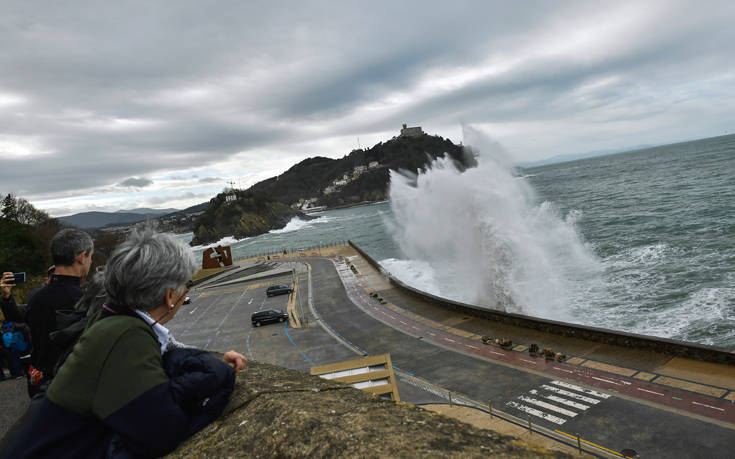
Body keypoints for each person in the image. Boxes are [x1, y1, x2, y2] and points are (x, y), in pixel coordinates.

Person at [2, 227, 246, 457]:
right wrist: (217, 372)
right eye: (186, 285)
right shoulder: (126, 334)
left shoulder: (112, 318)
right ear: (169, 296)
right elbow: (162, 430)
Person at [25, 228, 93, 392]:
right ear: (81, 257)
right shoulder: (82, 300)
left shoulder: (35, 297)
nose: (90, 262)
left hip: (38, 381)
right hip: (69, 385)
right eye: (91, 257)